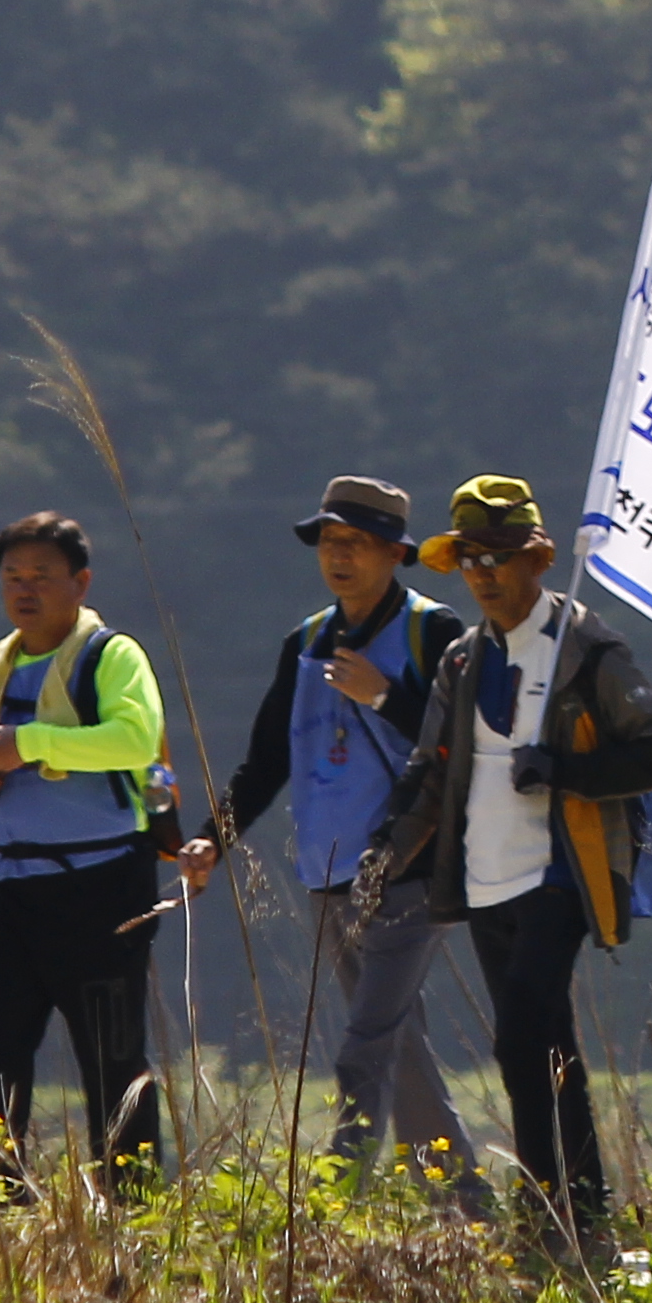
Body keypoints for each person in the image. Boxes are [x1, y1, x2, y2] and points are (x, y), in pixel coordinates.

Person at [355, 475, 652, 1254]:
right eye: (469, 557)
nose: (483, 573)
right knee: (549, 1046)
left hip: (558, 874)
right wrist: (385, 853)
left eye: (500, 556)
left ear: (539, 558)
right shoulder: (463, 660)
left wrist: (569, 772)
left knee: (519, 1037)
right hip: (480, 879)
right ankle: (578, 1210)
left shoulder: (587, 648)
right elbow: (429, 772)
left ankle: (551, 1211)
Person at [218, 475, 483, 1200]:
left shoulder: (434, 630)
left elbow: (468, 736)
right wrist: (215, 837)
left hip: (410, 866)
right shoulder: (304, 640)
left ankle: (337, 1198)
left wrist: (385, 696)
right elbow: (267, 759)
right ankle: (465, 1208)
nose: (340, 557)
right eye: (330, 542)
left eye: (358, 544)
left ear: (395, 554)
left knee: (369, 1040)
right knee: (397, 1039)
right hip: (328, 871)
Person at [0, 510, 184, 1184]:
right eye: (13, 577)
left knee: (112, 1058)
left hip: (103, 889)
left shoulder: (111, 656)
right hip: (13, 891)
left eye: (42, 577)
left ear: (79, 583)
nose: (26, 590)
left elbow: (134, 740)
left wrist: (30, 743)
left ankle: (134, 1211)